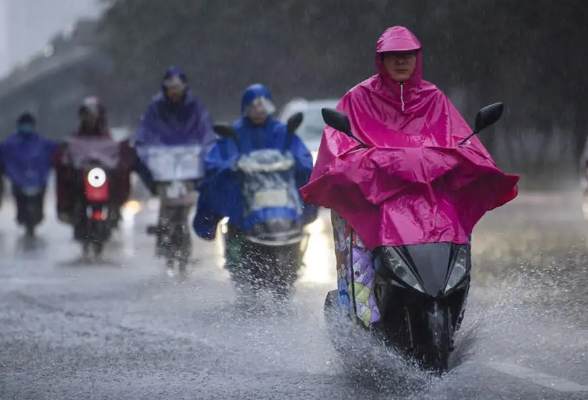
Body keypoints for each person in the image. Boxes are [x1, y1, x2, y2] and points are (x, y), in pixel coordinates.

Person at [300, 27, 518, 328]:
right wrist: (367, 166)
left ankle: (453, 304)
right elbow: (338, 147)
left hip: (425, 202)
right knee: (353, 233)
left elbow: (460, 141)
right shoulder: (358, 98)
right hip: (372, 199)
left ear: (418, 59)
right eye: (393, 56)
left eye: (407, 56)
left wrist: (464, 162)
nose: (401, 62)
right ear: (381, 60)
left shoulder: (434, 98)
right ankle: (359, 320)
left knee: (458, 229)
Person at [193, 83, 318, 266]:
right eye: (254, 106)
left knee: (298, 216)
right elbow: (215, 164)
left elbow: (304, 159)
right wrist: (233, 166)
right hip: (245, 199)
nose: (259, 110)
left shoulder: (282, 132)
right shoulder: (235, 134)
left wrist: (295, 162)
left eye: (264, 105)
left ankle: (293, 257)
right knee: (232, 212)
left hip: (282, 199)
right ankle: (237, 260)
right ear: (245, 108)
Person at [53, 97, 135, 234]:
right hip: (81, 176)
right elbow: (64, 155)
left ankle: (115, 210)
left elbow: (118, 154)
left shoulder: (108, 138)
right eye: (87, 115)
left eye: (94, 115)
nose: (91, 119)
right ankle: (70, 211)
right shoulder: (74, 138)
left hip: (104, 176)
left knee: (118, 182)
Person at [0, 113, 56, 230]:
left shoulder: (40, 141)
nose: (26, 127)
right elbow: (5, 156)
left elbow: (52, 151)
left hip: (38, 179)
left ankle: (36, 217)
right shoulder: (11, 143)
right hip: (18, 179)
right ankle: (22, 217)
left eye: (28, 124)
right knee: (20, 200)